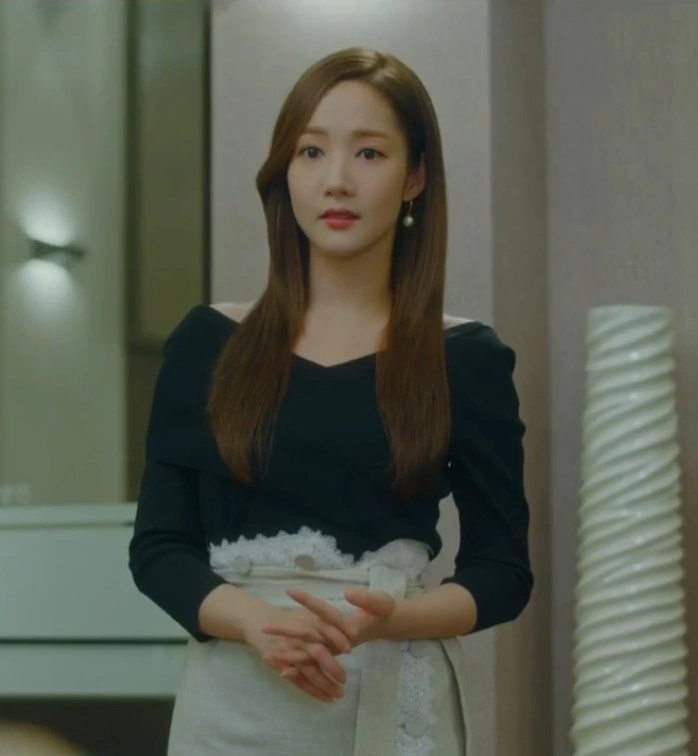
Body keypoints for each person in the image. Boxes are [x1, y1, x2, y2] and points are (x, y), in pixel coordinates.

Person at [128, 46, 533, 756]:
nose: (336, 180)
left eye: (369, 153)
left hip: (393, 692)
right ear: (285, 173)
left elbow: (503, 572)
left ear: (415, 177)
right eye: (311, 152)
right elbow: (160, 549)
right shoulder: (207, 343)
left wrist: (391, 621)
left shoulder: (465, 358)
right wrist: (255, 622)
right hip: (231, 705)